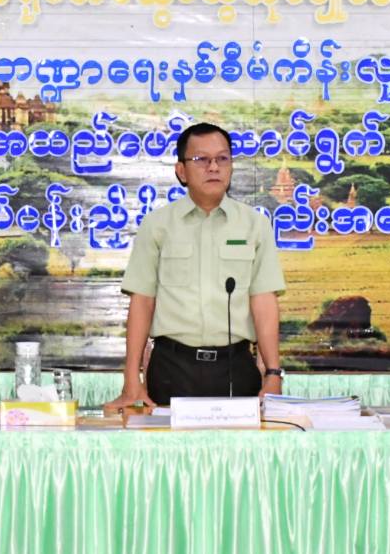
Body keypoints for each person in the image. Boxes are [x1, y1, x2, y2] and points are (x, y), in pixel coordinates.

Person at [104, 122, 286, 412]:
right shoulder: (157, 225)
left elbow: (264, 301)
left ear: (231, 166)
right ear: (181, 170)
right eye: (201, 159)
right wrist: (131, 379)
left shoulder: (255, 225)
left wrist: (273, 374)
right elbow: (142, 302)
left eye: (222, 158)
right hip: (172, 368)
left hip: (235, 367)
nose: (213, 167)